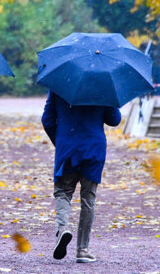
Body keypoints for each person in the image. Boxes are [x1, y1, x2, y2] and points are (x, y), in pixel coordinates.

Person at [41, 90, 121, 263]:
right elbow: (114, 120)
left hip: (67, 148)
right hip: (93, 149)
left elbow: (47, 120)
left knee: (62, 192)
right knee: (88, 200)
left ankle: (63, 228)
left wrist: (61, 141)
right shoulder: (103, 86)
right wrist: (110, 98)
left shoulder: (59, 85)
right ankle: (83, 250)